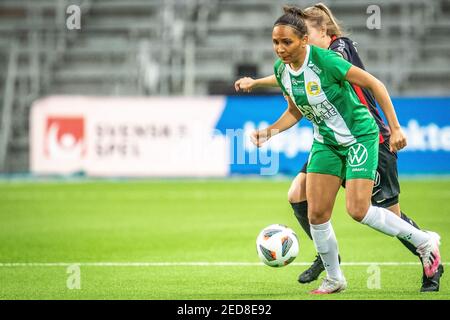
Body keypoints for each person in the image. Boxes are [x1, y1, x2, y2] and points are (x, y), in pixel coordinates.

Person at [235, 3, 443, 293]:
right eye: (275, 42)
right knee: (316, 213)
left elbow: (375, 84)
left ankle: (424, 242)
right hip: (326, 142)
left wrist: (396, 128)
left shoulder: (328, 60)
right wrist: (269, 131)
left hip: (359, 136)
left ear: (305, 39)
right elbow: (296, 109)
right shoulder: (282, 69)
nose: (280, 48)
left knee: (359, 210)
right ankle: (334, 278)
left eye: (286, 42)